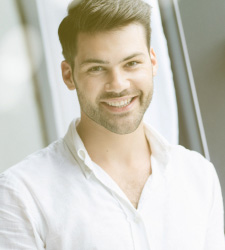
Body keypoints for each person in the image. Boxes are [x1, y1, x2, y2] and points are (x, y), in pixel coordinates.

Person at [0, 0, 224, 249]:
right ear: (68, 75)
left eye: (131, 63)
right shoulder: (22, 194)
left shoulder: (198, 176)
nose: (118, 84)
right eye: (97, 68)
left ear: (152, 62)